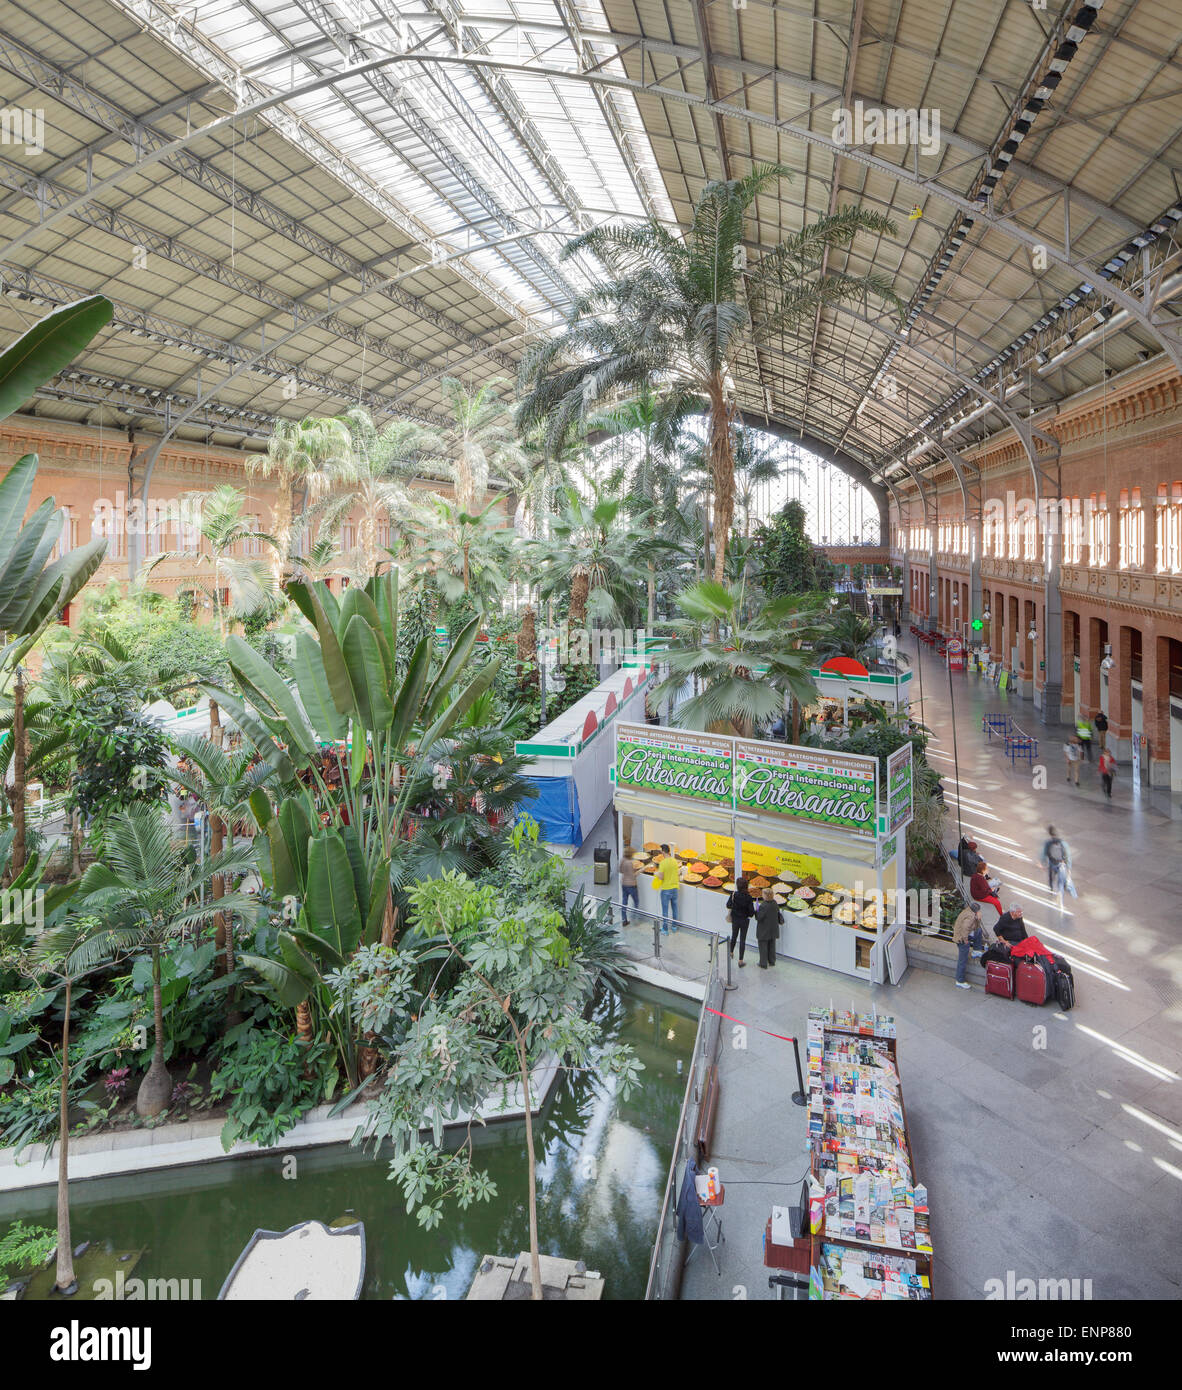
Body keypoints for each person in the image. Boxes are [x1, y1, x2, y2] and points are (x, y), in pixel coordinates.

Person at [952, 901, 986, 989]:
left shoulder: (968, 911)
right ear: (977, 911)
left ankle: (976, 950)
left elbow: (975, 927)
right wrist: (965, 940)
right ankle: (960, 980)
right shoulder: (971, 917)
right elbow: (965, 928)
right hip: (961, 939)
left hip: (963, 935)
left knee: (978, 931)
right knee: (962, 960)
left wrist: (978, 919)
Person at [725, 876, 756, 967]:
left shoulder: (734, 894)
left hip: (735, 919)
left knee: (734, 935)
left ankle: (730, 952)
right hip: (744, 921)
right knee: (742, 939)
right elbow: (751, 913)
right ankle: (740, 960)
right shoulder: (749, 897)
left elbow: (728, 905)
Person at [755, 887, 783, 969]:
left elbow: (759, 917)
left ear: (765, 895)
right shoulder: (774, 903)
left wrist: (756, 911)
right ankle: (772, 961)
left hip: (764, 930)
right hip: (773, 929)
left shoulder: (763, 905)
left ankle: (763, 963)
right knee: (772, 945)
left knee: (763, 946)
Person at [1040, 825, 1071, 898]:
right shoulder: (1063, 843)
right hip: (1061, 863)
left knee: (1051, 877)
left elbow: (1044, 853)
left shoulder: (1048, 843)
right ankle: (1060, 892)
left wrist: (1043, 863)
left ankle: (1051, 889)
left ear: (1049, 833)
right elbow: (1067, 855)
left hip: (1052, 863)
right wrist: (1068, 867)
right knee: (1060, 879)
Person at [656, 845, 680, 933]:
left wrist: (656, 874)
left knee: (665, 910)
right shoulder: (674, 861)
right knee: (675, 908)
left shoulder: (663, 863)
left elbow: (661, 877)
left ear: (663, 852)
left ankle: (665, 929)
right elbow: (677, 873)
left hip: (666, 889)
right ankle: (674, 926)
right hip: (675, 888)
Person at [619, 851, 639, 926]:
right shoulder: (629, 863)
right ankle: (634, 917)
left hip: (624, 883)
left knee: (624, 902)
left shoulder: (622, 860)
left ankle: (624, 920)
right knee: (636, 901)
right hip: (631, 885)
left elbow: (620, 870)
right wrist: (642, 870)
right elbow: (633, 876)